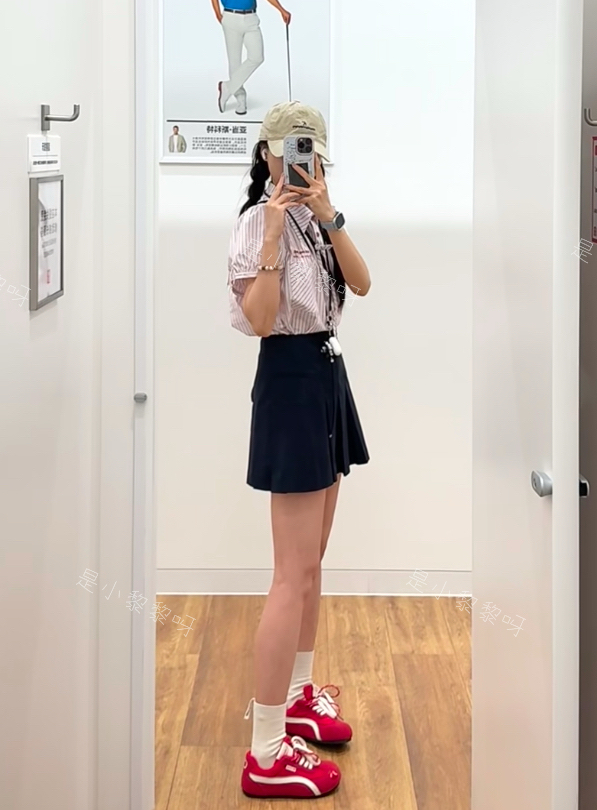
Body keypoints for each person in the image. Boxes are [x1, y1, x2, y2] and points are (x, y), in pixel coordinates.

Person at [227, 101, 371, 800]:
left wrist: (328, 212)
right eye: (290, 149)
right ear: (267, 154)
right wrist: (273, 238)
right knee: (289, 575)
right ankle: (264, 748)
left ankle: (298, 695)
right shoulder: (258, 221)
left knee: (312, 563)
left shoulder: (320, 215)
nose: (301, 160)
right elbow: (259, 321)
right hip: (288, 382)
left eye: (311, 148)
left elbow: (362, 282)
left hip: (326, 375)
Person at [210, 0, 291, 116]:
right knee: (234, 61)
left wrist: (281, 9)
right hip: (230, 17)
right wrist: (218, 15)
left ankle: (227, 87)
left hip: (251, 18)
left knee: (257, 56)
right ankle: (240, 99)